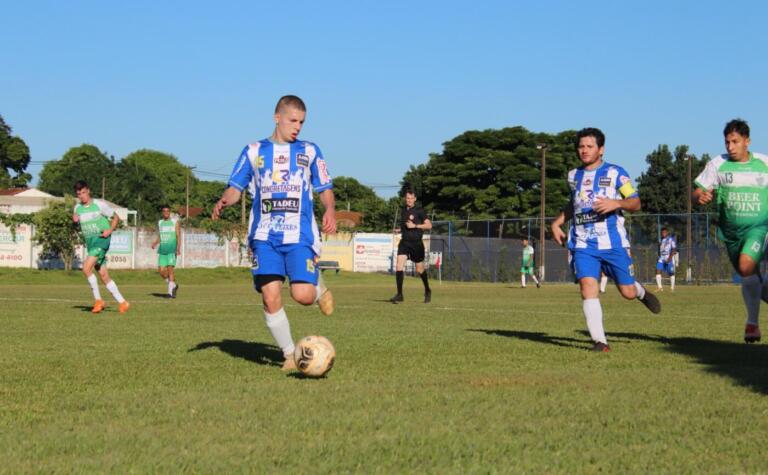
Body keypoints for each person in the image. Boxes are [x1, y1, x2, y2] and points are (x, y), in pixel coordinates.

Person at [212, 95, 336, 370]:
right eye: (293, 120)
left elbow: (325, 187)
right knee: (270, 295)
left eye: (302, 122)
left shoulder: (310, 151)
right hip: (264, 236)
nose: (298, 127)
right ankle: (291, 354)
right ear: (276, 117)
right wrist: (224, 200)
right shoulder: (254, 151)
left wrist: (329, 210)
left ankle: (318, 287)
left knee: (302, 295)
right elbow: (235, 187)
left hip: (299, 235)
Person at [551, 127, 660, 352]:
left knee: (627, 292)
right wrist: (556, 222)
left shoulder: (616, 173)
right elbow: (574, 205)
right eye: (581, 146)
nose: (584, 150)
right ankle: (600, 342)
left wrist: (616, 203)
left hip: (613, 244)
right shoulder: (573, 176)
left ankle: (640, 292)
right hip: (583, 244)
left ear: (601, 149)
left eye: (589, 146)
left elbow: (635, 202)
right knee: (587, 286)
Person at [693, 118, 768, 343]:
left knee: (746, 265)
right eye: (727, 142)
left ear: (747, 141)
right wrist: (701, 196)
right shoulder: (718, 164)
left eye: (735, 142)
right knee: (750, 277)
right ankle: (754, 320)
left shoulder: (764, 164)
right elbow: (697, 193)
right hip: (731, 234)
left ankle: (752, 324)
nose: (730, 147)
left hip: (759, 227)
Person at [72, 180, 130, 314]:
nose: (82, 196)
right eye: (79, 194)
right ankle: (123, 302)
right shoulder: (77, 208)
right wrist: (75, 221)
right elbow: (76, 222)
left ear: (88, 191)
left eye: (83, 193)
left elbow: (116, 217)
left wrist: (109, 230)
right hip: (91, 243)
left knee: (86, 268)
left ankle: (98, 301)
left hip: (101, 240)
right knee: (103, 275)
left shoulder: (99, 205)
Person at [390, 190, 432, 303]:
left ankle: (427, 290)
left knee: (419, 269)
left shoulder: (420, 211)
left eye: (411, 198)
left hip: (416, 243)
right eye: (407, 198)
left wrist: (415, 225)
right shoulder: (403, 210)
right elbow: (405, 226)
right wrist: (400, 230)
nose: (409, 200)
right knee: (399, 266)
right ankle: (399, 294)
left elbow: (429, 225)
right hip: (404, 242)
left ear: (415, 199)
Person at [151, 205, 181, 298]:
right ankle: (173, 285)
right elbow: (161, 235)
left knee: (170, 270)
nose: (166, 213)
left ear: (170, 212)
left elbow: (178, 236)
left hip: (171, 249)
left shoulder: (174, 222)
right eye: (164, 211)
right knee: (161, 271)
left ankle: (170, 293)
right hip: (162, 250)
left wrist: (178, 248)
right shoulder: (160, 222)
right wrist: (155, 243)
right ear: (162, 212)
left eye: (167, 211)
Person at [655, 227, 677, 292]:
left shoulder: (671, 239)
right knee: (657, 270)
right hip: (661, 258)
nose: (663, 233)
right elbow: (659, 249)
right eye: (662, 232)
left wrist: (670, 258)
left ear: (667, 232)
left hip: (668, 257)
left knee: (671, 273)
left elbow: (674, 249)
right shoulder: (661, 240)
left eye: (664, 232)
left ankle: (672, 288)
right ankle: (660, 287)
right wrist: (659, 256)